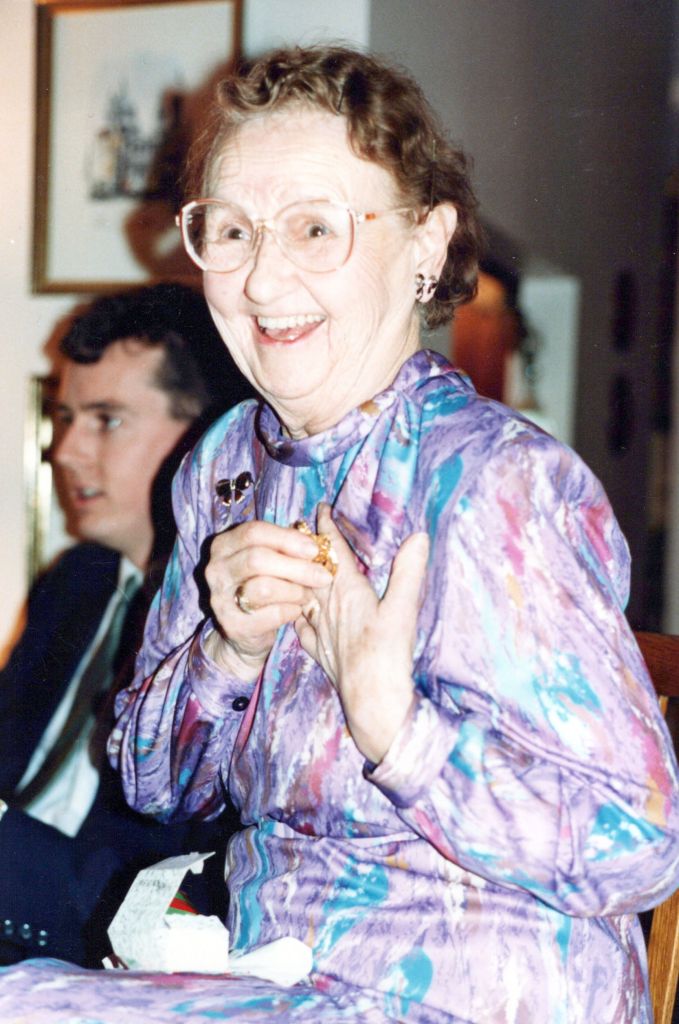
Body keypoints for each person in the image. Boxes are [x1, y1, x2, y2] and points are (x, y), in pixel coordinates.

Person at [2, 45, 678, 1024]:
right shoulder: (225, 465)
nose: (262, 277)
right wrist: (224, 655)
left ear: (425, 245)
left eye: (314, 228)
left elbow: (639, 846)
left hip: (478, 996)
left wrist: (396, 724)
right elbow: (154, 787)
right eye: (231, 231)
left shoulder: (494, 481)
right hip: (275, 974)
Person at [0, 282, 248, 968]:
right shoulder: (76, 582)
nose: (64, 451)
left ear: (203, 436)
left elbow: (179, 897)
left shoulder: (232, 624)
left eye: (106, 420)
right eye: (64, 417)